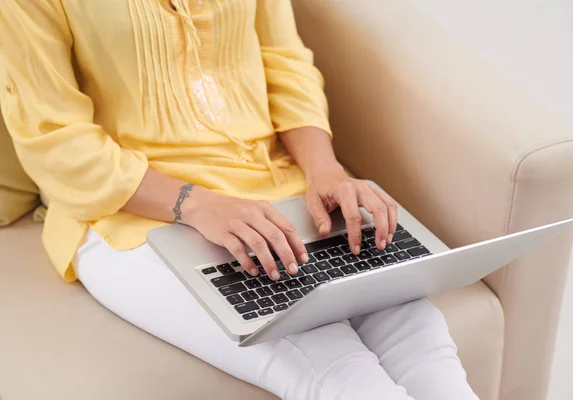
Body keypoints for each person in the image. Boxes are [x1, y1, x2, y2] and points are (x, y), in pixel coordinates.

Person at [0, 1, 478, 399]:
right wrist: (197, 204)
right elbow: (54, 138)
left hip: (277, 185)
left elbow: (282, 58)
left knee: (427, 351)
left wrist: (324, 168)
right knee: (343, 376)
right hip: (133, 212)